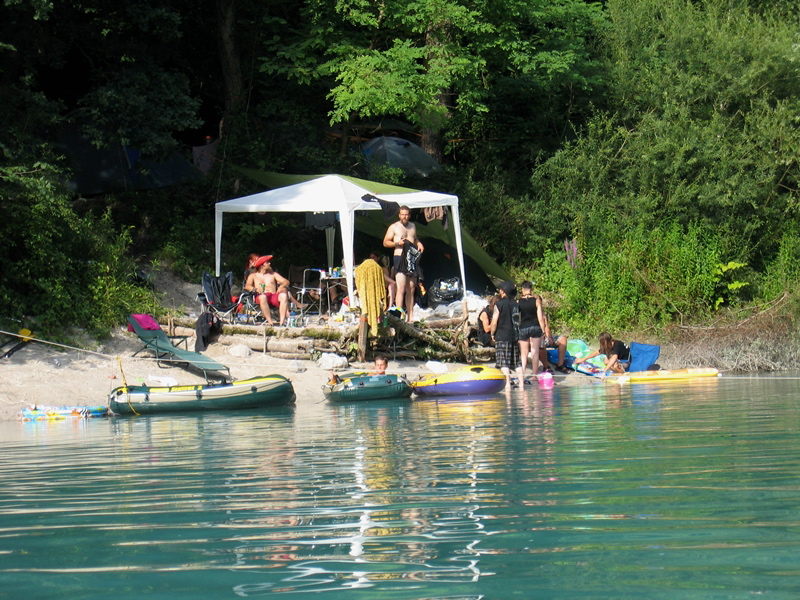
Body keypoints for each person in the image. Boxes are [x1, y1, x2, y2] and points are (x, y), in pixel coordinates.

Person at [383, 205, 424, 322]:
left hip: (411, 258)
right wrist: (397, 243)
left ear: (409, 215)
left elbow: (414, 239)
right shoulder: (394, 227)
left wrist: (419, 243)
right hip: (399, 257)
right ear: (399, 215)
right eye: (402, 214)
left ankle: (410, 316)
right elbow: (385, 242)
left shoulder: (412, 226)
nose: (404, 217)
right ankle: (399, 316)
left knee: (411, 287)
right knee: (401, 287)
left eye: (406, 214)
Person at [490, 280, 524, 388]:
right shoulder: (516, 304)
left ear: (504, 292)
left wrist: (492, 333)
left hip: (502, 335)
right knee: (517, 362)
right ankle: (522, 384)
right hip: (514, 335)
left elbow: (494, 321)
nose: (499, 291)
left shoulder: (498, 304)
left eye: (501, 289)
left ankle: (507, 385)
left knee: (503, 361)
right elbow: (519, 321)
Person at [244, 255, 290, 326]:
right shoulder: (253, 275)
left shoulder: (273, 274)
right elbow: (247, 286)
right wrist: (255, 289)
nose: (269, 264)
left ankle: (282, 322)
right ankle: (270, 322)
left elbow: (286, 281)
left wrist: (281, 286)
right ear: (262, 265)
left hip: (273, 295)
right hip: (261, 295)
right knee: (263, 297)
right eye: (267, 262)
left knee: (283, 295)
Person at [517, 281, 545, 381]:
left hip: (523, 327)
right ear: (531, 289)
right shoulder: (537, 300)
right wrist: (543, 330)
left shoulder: (519, 301)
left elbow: (518, 317)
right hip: (535, 326)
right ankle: (534, 375)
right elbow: (540, 317)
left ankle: (523, 373)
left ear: (522, 289)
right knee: (535, 352)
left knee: (523, 353)